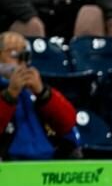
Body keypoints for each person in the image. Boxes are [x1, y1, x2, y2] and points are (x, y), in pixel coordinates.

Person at [1, 30, 78, 160]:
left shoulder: (35, 88)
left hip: (46, 162)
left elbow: (68, 123)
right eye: (14, 54)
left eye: (24, 55)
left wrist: (42, 93)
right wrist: (10, 94)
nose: (21, 62)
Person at [0, 0, 112, 38]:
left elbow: (109, 6)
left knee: (92, 13)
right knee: (30, 25)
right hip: (32, 16)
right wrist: (30, 16)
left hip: (68, 17)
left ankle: (95, 76)